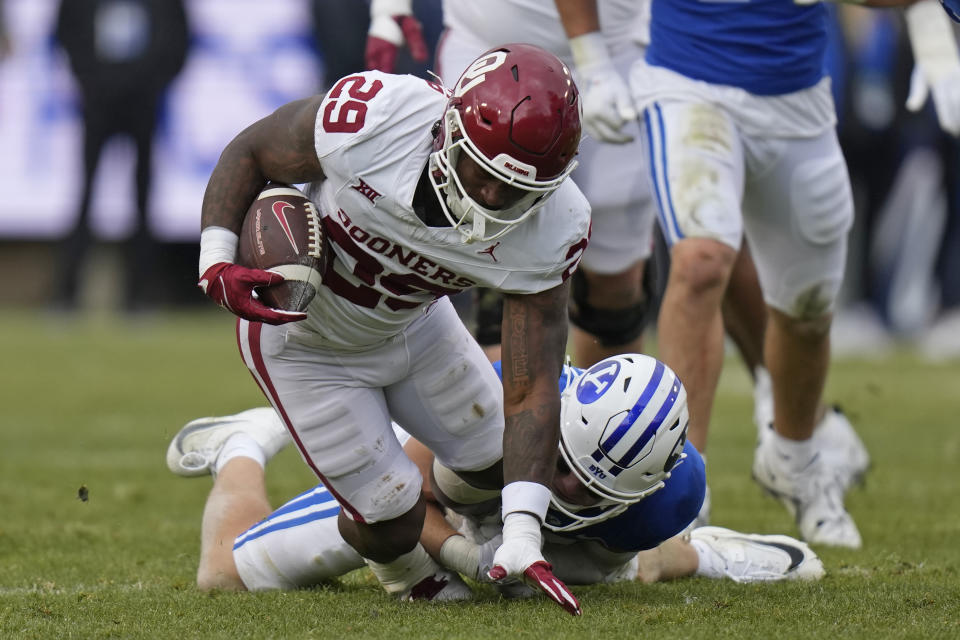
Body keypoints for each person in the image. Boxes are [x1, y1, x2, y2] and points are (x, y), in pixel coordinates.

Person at [195, 44, 589, 612]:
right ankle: (404, 566)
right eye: (486, 173)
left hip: (415, 324)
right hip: (306, 341)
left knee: (500, 466)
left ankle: (474, 538)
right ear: (450, 129)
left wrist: (525, 531)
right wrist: (216, 257)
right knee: (389, 521)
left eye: (520, 189)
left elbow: (531, 386)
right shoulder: (379, 120)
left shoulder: (556, 224)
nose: (496, 199)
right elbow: (253, 148)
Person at [552, 0, 959, 549]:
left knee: (809, 308)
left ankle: (795, 459)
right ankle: (680, 483)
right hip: (686, 80)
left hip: (798, 99)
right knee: (699, 263)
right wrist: (592, 57)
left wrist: (930, 27)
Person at [166, 354, 824, 596]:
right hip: (429, 473)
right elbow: (402, 500)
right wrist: (459, 553)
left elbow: (623, 537)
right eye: (560, 462)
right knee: (224, 573)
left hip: (546, 504)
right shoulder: (498, 418)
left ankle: (707, 555)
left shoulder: (666, 493)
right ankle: (246, 443)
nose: (561, 483)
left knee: (627, 563)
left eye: (582, 484)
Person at [52, 0, 189, 312]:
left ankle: (139, 296)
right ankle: (65, 296)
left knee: (143, 201)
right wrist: (91, 80)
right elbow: (67, 35)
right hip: (97, 101)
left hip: (143, 103)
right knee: (85, 197)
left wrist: (150, 84)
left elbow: (177, 39)